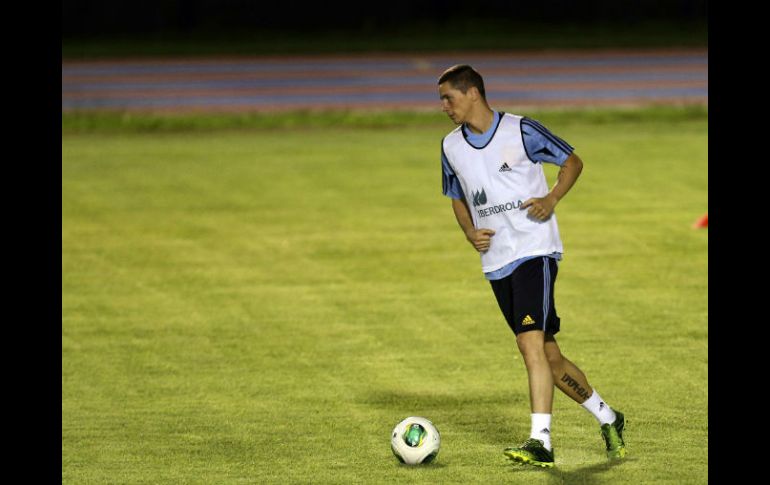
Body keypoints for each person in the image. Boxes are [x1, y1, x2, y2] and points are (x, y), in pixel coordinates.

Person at [437, 64, 626, 468]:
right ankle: (609, 417)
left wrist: (552, 198)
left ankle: (540, 441)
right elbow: (456, 194)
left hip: (534, 249)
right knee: (548, 357)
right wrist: (470, 232)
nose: (444, 107)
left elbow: (572, 161)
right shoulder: (450, 145)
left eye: (448, 98)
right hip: (496, 261)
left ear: (472, 93)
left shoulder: (521, 130)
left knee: (528, 343)